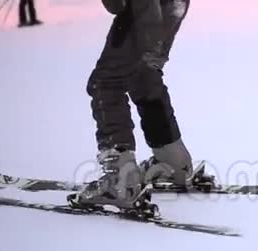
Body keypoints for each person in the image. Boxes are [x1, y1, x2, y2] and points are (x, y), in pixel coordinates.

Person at [69, 0, 195, 211]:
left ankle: (121, 181)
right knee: (144, 78)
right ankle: (174, 164)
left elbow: (116, 5)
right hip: (174, 6)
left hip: (143, 9)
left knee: (106, 83)